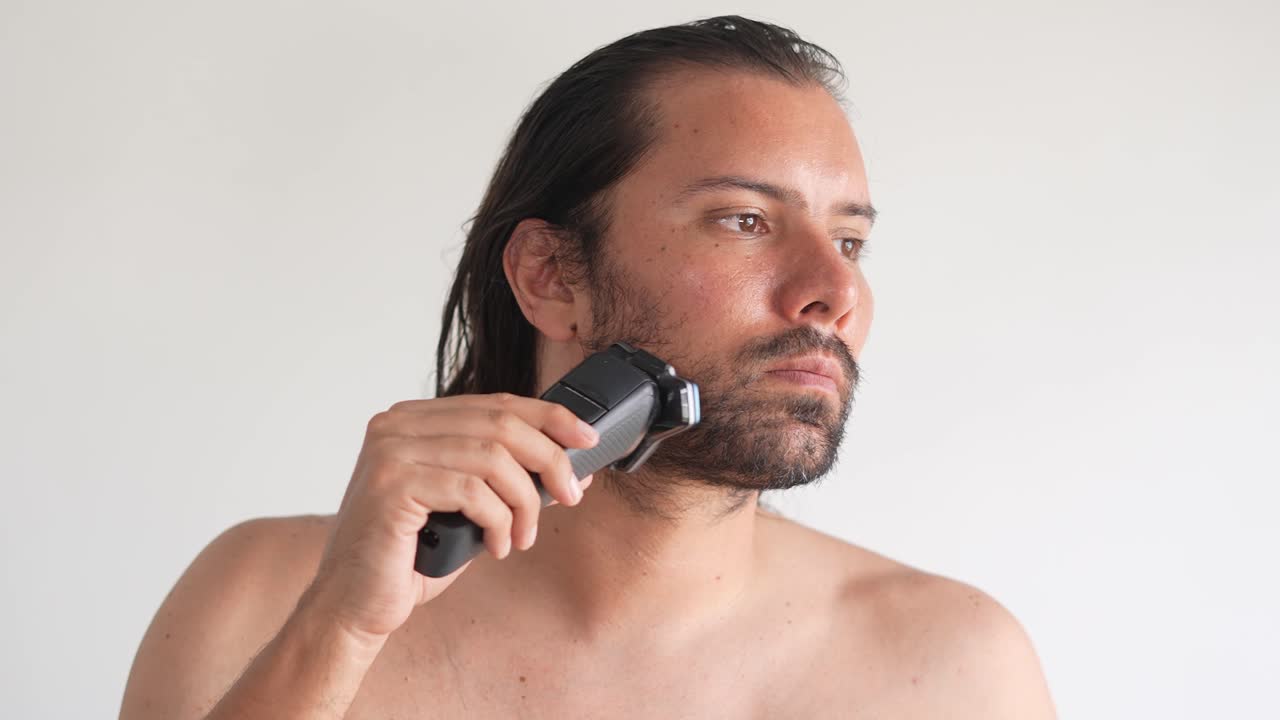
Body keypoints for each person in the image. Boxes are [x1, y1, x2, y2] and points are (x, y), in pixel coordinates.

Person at [121, 15, 1056, 719]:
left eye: (850, 240)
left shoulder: (957, 672)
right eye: (744, 221)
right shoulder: (264, 602)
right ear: (552, 274)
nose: (832, 293)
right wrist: (338, 634)